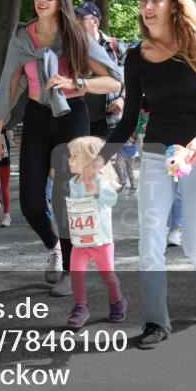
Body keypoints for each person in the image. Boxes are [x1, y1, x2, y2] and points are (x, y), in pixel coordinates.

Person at [83, 0, 196, 349]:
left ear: (173, 5)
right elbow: (131, 117)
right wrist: (98, 160)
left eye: (155, 0)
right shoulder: (136, 57)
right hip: (155, 153)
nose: (147, 8)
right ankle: (155, 321)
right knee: (150, 240)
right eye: (142, 1)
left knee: (194, 240)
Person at [0, 0, 122, 297]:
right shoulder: (23, 38)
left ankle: (68, 270)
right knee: (30, 203)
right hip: (36, 117)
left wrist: (78, 83)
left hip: (71, 116)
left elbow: (114, 80)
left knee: (65, 199)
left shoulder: (76, 36)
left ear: (61, 1)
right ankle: (54, 247)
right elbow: (10, 85)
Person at [64, 136, 125, 329]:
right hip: (81, 239)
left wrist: (96, 190)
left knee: (108, 275)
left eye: (74, 156)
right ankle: (81, 307)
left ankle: (117, 301)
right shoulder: (74, 182)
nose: (69, 160)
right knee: (76, 273)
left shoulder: (100, 179)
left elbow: (111, 199)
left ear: (89, 160)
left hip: (101, 240)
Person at [76, 1, 127, 139]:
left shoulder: (117, 46)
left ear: (95, 22)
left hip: (108, 122)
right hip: (78, 120)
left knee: (100, 161)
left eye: (81, 18)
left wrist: (122, 100)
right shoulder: (73, 48)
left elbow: (128, 80)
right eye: (75, 18)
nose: (76, 22)